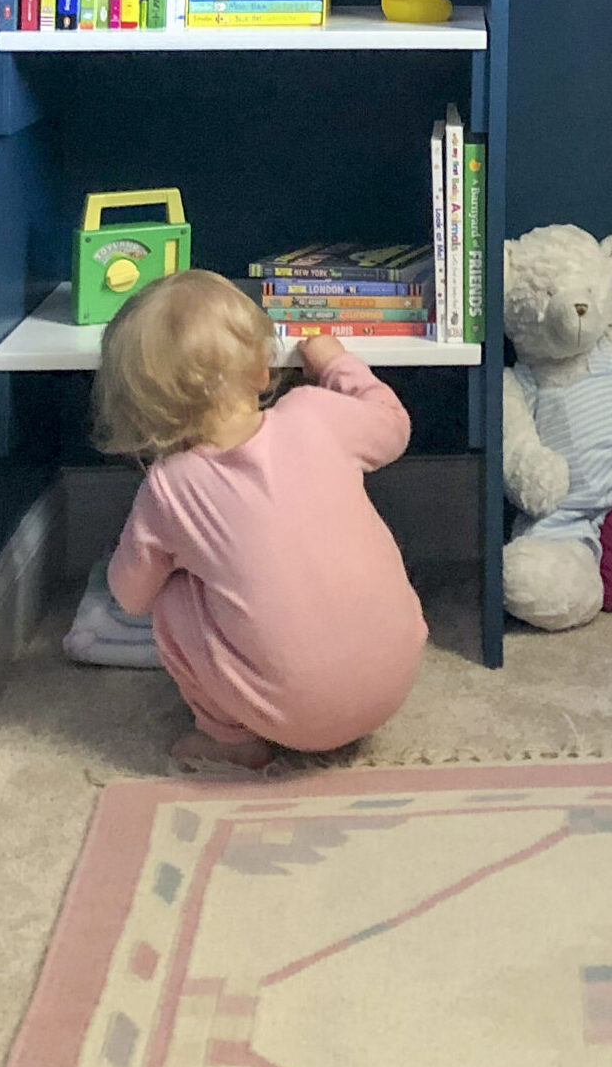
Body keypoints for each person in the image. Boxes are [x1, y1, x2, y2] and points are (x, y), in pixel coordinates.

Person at [93, 269, 427, 772]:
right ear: (261, 371)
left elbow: (131, 596)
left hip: (289, 716)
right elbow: (393, 425)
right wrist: (337, 364)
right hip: (394, 682)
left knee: (173, 596)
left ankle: (230, 738)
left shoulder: (169, 487)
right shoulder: (316, 411)